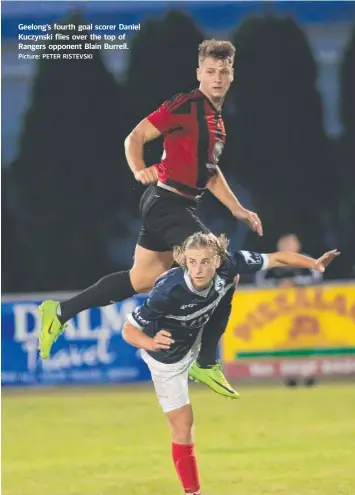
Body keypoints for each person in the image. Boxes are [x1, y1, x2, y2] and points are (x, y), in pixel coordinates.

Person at [38, 39, 263, 399]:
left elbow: (209, 171)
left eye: (223, 72)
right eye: (210, 72)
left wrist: (237, 208)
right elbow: (136, 136)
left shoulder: (217, 122)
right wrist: (139, 167)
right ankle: (206, 362)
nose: (217, 78)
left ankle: (60, 311)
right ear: (199, 74)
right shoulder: (187, 105)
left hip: (177, 205)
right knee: (224, 267)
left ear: (232, 74)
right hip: (167, 203)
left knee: (141, 279)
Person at [121, 231, 339, 495]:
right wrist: (151, 342)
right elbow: (129, 330)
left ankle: (205, 364)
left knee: (231, 280)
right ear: (183, 260)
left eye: (204, 261)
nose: (198, 269)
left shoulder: (230, 262)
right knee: (183, 426)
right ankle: (192, 492)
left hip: (198, 336)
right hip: (167, 357)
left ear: (218, 259)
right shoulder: (168, 290)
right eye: (191, 262)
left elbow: (276, 260)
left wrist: (313, 263)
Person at [255, 233, 323, 288]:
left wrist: (295, 282)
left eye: (290, 243)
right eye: (284, 243)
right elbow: (259, 283)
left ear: (298, 245)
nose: (286, 246)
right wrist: (278, 284)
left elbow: (318, 280)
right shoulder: (270, 261)